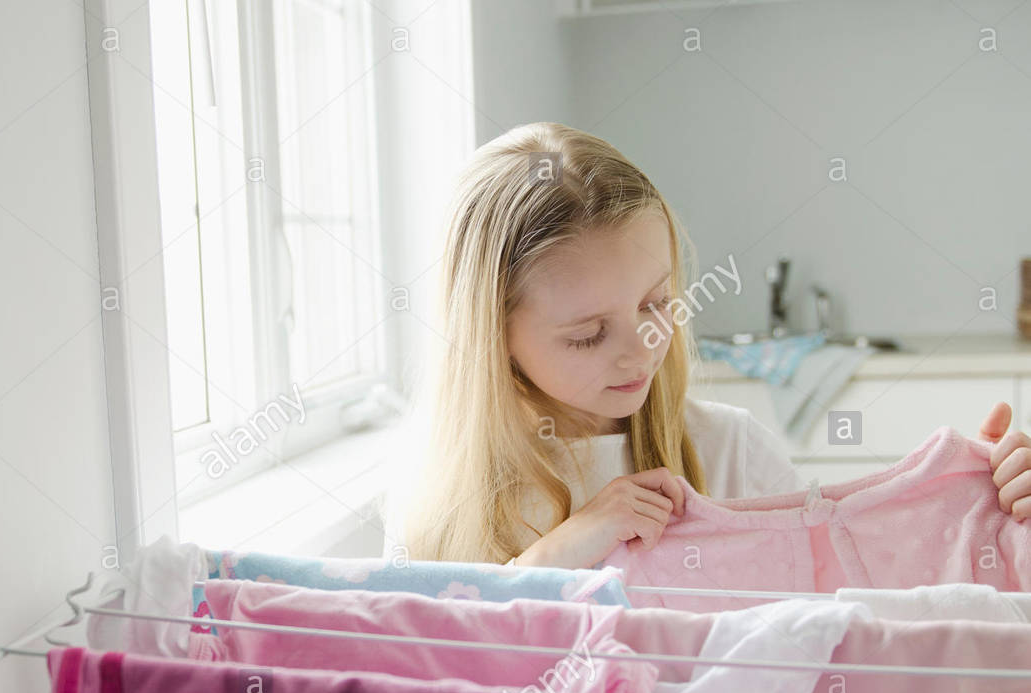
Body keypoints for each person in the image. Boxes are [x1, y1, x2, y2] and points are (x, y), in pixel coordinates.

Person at [383, 122, 1031, 570]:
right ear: (491, 336)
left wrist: (975, 507)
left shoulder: (731, 454)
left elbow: (848, 591)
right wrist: (556, 554)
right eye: (587, 335)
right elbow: (433, 677)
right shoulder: (434, 492)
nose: (641, 349)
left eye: (656, 304)